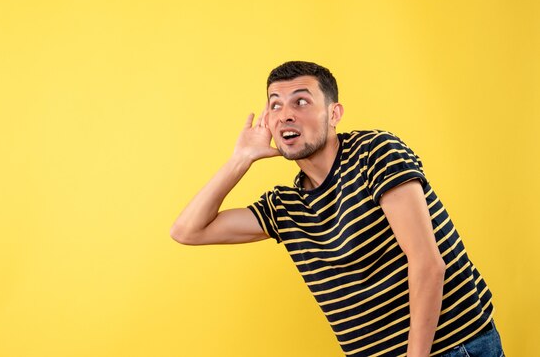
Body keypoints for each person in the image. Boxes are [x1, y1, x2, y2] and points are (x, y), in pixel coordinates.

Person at [170, 61, 504, 357]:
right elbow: (187, 231)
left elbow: (428, 263)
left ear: (334, 113)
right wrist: (240, 159)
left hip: (451, 348)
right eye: (275, 105)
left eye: (301, 101)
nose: (285, 113)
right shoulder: (286, 206)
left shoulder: (374, 152)